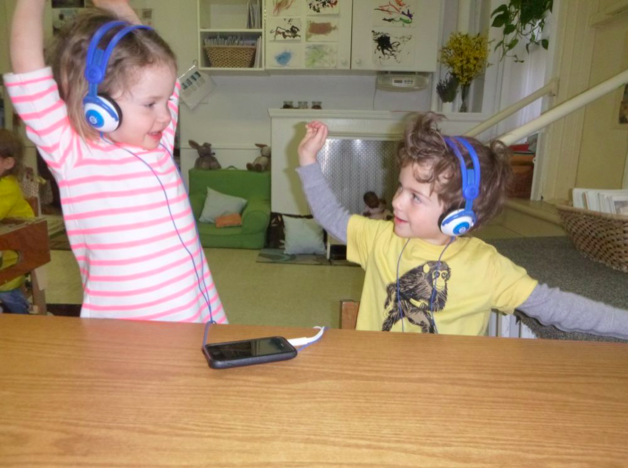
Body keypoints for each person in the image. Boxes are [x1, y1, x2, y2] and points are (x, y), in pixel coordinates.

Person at [296, 114, 628, 338]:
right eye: (400, 187)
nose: (396, 202)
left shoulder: (488, 267)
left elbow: (558, 307)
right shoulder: (381, 237)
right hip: (375, 379)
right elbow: (332, 216)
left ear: (460, 216)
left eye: (415, 197)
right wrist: (309, 160)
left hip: (449, 393)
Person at [4, 0, 226, 323]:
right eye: (151, 103)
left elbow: (147, 49)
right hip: (121, 338)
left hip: (196, 322)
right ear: (98, 107)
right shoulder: (73, 153)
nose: (166, 115)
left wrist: (117, 7)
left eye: (166, 100)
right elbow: (28, 71)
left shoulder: (159, 141)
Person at [0, 129, 35, 314]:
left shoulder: (6, 187)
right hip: (6, 249)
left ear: (8, 163)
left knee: (6, 290)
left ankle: (21, 316)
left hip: (13, 256)